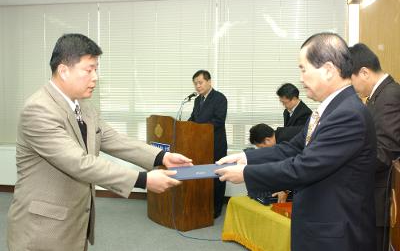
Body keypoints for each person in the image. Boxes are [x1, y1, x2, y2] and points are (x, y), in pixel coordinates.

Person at [7, 33, 192, 251]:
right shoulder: (39, 109)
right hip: (43, 229)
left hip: (75, 221)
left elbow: (113, 139)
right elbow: (79, 163)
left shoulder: (83, 106)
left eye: (96, 69)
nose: (95, 77)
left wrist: (162, 156)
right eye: (89, 69)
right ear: (64, 71)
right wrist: (142, 180)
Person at [216, 32, 377, 251]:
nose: (300, 79)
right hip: (318, 224)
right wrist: (245, 156)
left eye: (303, 69)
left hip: (335, 234)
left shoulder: (348, 114)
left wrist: (245, 173)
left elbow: (303, 168)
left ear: (328, 70)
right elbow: (291, 148)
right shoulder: (328, 109)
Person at [349, 43, 400, 251]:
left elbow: (385, 152)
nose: (352, 89)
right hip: (373, 191)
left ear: (364, 72)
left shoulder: (389, 96)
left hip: (382, 194)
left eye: (351, 81)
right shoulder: (377, 97)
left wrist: (347, 162)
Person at [188, 69, 227, 218]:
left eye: (200, 82)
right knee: (202, 176)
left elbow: (218, 121)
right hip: (200, 146)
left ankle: (215, 210)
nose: (198, 86)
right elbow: (193, 119)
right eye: (195, 84)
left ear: (209, 81)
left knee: (216, 177)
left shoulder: (219, 98)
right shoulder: (198, 100)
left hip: (215, 144)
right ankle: (203, 205)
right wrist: (181, 128)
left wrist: (198, 129)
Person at [249, 123, 290, 203]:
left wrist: (285, 190)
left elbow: (294, 168)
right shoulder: (278, 136)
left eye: (261, 147)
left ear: (267, 140)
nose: (262, 151)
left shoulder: (286, 142)